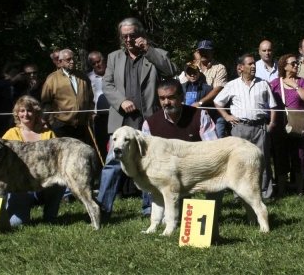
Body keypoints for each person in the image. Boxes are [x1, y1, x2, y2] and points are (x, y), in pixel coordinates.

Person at [97, 17, 176, 217]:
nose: (129, 39)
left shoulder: (156, 54)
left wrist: (149, 50)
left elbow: (170, 71)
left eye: (132, 35)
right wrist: (121, 101)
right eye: (125, 36)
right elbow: (107, 85)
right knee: (112, 165)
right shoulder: (114, 57)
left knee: (149, 163)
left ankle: (150, 208)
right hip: (121, 120)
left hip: (148, 118)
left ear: (141, 34)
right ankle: (102, 209)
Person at [141, 79, 222, 236]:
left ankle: (212, 217)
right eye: (162, 98)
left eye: (171, 97)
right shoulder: (150, 124)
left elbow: (214, 149)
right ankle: (161, 215)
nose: (166, 102)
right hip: (167, 177)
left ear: (181, 97)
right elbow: (147, 158)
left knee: (219, 179)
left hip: (197, 170)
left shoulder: (199, 115)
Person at [214, 54, 277, 199]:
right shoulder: (232, 85)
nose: (254, 66)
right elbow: (218, 102)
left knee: (262, 160)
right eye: (250, 64)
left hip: (260, 127)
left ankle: (264, 194)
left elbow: (273, 106)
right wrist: (226, 116)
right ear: (240, 67)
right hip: (240, 127)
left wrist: (272, 123)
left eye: (254, 64)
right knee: (239, 162)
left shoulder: (263, 84)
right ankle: (239, 195)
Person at [2, 95, 65, 226]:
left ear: (36, 113)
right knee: (16, 224)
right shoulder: (10, 135)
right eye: (22, 111)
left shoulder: (48, 134)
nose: (26, 114)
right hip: (20, 187)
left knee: (59, 181)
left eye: (30, 110)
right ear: (17, 114)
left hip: (44, 183)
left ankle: (50, 216)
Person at [269, 54, 304, 197]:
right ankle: (281, 190)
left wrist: (296, 86)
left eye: (297, 63)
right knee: (281, 157)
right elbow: (268, 102)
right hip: (280, 127)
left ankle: (299, 190)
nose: (296, 65)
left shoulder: (302, 82)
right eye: (293, 63)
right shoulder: (275, 83)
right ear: (284, 66)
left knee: (299, 157)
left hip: (299, 126)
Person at [41, 49, 94, 144]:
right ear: (60, 62)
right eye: (68, 59)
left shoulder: (83, 76)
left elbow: (90, 98)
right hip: (62, 126)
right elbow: (46, 103)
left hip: (82, 126)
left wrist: (88, 115)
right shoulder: (52, 79)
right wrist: (52, 122)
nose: (72, 61)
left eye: (74, 58)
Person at [195, 40, 227, 138]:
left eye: (207, 51)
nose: (203, 53)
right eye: (201, 51)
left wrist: (200, 102)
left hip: (214, 113)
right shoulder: (191, 68)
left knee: (217, 144)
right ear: (197, 53)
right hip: (195, 113)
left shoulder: (219, 68)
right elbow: (183, 85)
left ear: (212, 52)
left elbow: (218, 89)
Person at [87, 51, 109, 163]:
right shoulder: (88, 78)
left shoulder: (113, 74)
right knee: (101, 144)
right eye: (93, 63)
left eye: (99, 61)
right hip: (98, 118)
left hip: (114, 115)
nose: (97, 65)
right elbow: (87, 98)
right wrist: (91, 114)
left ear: (104, 60)